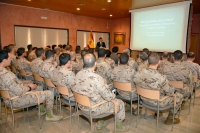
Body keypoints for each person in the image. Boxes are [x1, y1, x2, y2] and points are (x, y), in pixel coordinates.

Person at [71, 53, 129, 132]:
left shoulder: (77, 74)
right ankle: (119, 127)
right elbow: (109, 97)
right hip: (94, 109)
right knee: (120, 103)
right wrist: (112, 93)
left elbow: (73, 87)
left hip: (81, 106)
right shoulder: (97, 78)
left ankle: (100, 122)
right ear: (95, 64)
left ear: (82, 63)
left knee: (100, 98)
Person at [0, 50, 62, 121]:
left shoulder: (3, 71)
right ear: (4, 60)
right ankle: (50, 116)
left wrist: (27, 84)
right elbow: (19, 91)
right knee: (50, 93)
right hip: (16, 99)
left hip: (10, 96)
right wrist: (29, 87)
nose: (11, 59)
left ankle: (41, 110)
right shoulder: (5, 75)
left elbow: (14, 85)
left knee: (39, 88)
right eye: (9, 58)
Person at [134, 52, 183, 125]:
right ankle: (170, 118)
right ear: (159, 62)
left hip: (143, 99)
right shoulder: (161, 77)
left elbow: (136, 83)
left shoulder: (138, 73)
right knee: (179, 96)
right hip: (157, 103)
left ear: (147, 61)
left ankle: (158, 113)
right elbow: (170, 92)